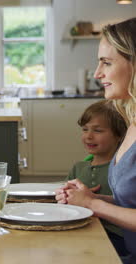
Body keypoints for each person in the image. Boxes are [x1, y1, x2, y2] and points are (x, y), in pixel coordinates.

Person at [56, 18, 136, 263]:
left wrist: (93, 204)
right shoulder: (132, 121)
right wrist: (91, 199)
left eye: (107, 63)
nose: (98, 73)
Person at [65, 99, 127, 255]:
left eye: (98, 131)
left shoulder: (123, 170)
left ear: (119, 135)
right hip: (81, 230)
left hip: (115, 237)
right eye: (85, 130)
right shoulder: (78, 168)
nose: (89, 136)